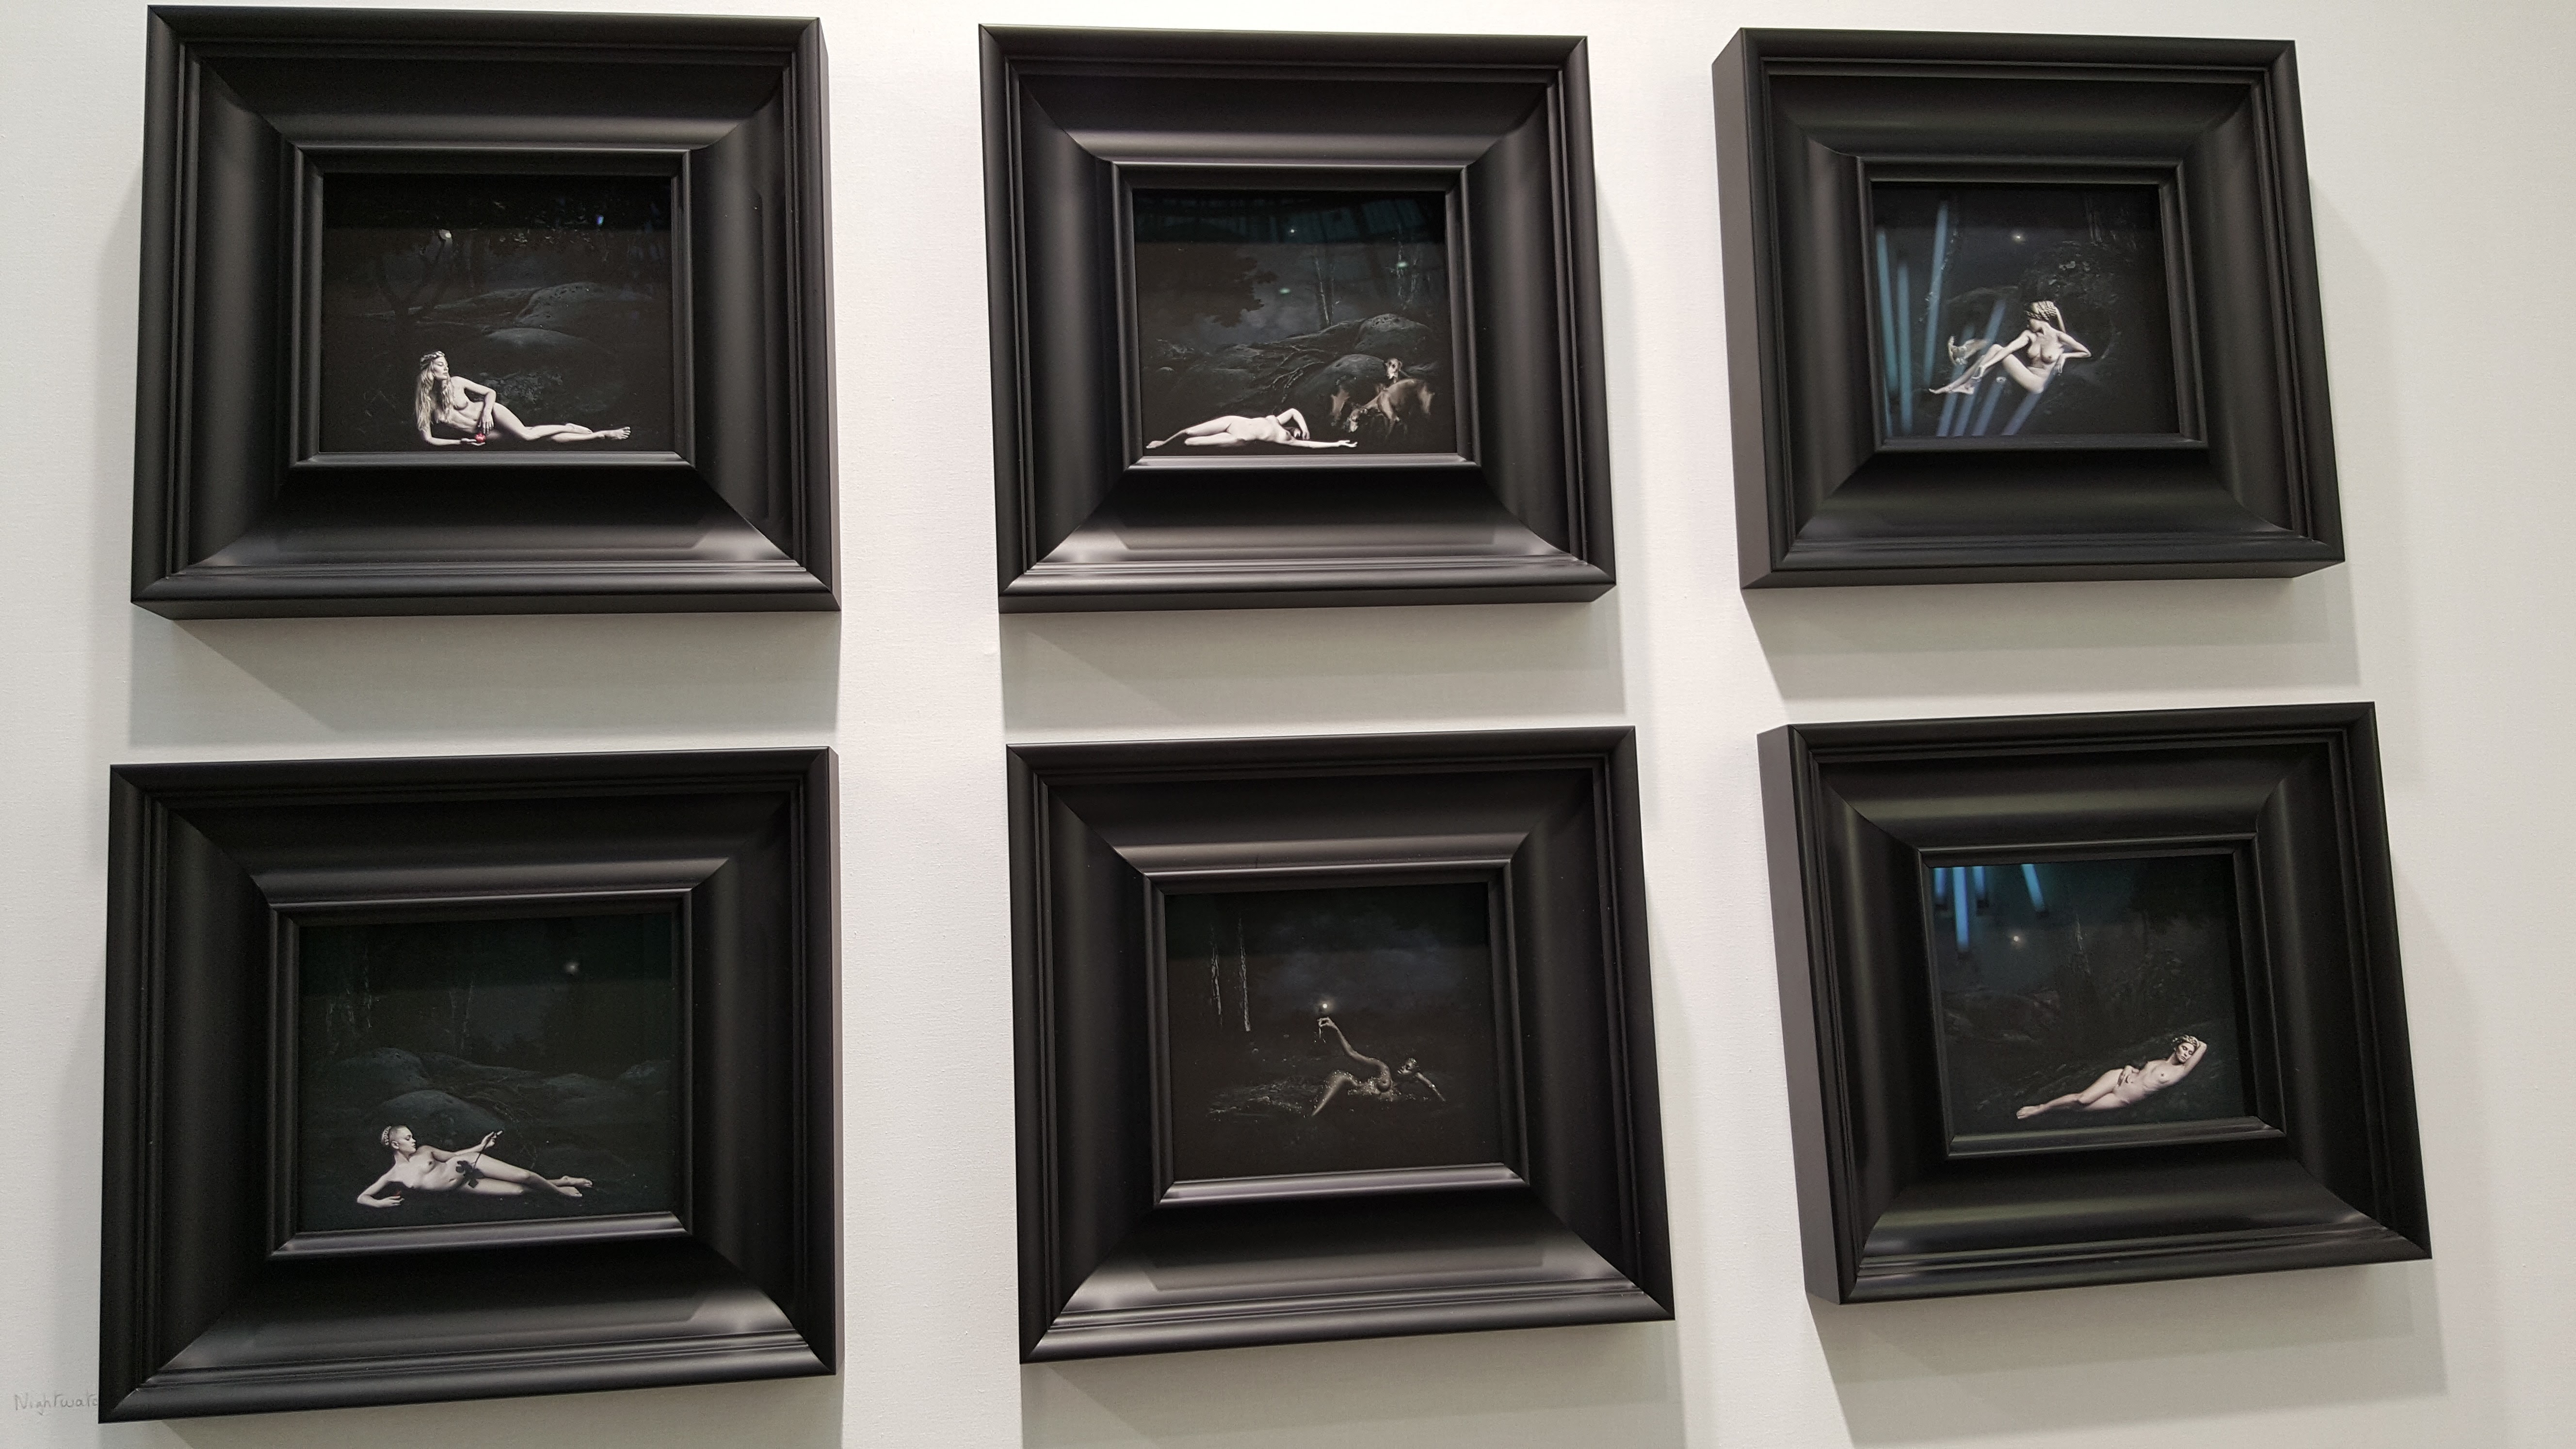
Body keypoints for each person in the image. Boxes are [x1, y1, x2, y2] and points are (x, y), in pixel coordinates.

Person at [412, 351, 631, 447]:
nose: (446, 368)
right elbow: (428, 439)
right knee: (542, 439)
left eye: (446, 364)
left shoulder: (457, 382)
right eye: (441, 365)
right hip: (482, 434)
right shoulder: (426, 403)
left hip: (492, 414)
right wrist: (460, 443)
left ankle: (596, 433)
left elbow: (490, 393)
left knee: (527, 435)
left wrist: (487, 412)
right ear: (429, 370)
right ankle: (583, 433)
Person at [355, 1125, 592, 1208]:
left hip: (465, 1165)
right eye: (408, 1138)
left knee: (523, 1176)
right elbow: (363, 1198)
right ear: (395, 1144)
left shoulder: (425, 1150)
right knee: (518, 1191)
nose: (414, 1140)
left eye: (412, 1136)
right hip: (463, 1186)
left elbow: (454, 1156)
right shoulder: (393, 1174)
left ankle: (561, 1192)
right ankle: (564, 1181)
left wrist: (481, 1147)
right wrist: (379, 1203)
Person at [1930, 300, 2091, 401]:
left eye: (2030, 319)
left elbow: (2086, 352)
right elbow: (2009, 349)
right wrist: (1986, 365)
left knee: (1994, 352)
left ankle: (1965, 385)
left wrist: (2065, 356)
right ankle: (1957, 385)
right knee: (1994, 351)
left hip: (2037, 383)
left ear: (2040, 318)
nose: (2028, 323)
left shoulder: (2060, 338)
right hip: (2024, 374)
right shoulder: (2029, 335)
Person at [2016, 1035, 2207, 1119]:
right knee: (2082, 1099)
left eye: (2190, 1053)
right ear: (2176, 1047)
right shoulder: (2160, 1061)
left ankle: (2048, 1110)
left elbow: (2204, 1046)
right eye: (2184, 1048)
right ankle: (2041, 1108)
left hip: (2122, 1098)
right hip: (2118, 1079)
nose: (2186, 1054)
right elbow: (2142, 1071)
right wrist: (2129, 1068)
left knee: (2080, 1109)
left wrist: (2195, 1042)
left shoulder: (2180, 1071)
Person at [1308, 1015, 1445, 1117]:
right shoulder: (1384, 1069)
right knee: (1339, 1077)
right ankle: (1311, 1116)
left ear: (1413, 1076)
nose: (1402, 1068)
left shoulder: (1401, 1095)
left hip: (1354, 1105)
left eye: (1407, 1069)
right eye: (1404, 1065)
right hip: (1350, 1086)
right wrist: (1336, 1029)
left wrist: (1423, 1080)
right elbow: (1351, 1053)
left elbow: (1433, 1092)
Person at [1146, 407, 1356, 451]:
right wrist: (1305, 427)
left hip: (1240, 437)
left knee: (1189, 442)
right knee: (1189, 431)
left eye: (1301, 436)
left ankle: (1170, 447)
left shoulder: (1286, 438)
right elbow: (1294, 411)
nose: (1301, 435)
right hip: (1234, 421)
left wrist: (1337, 443)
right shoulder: (1277, 421)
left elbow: (1310, 445)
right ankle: (1163, 443)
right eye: (1300, 433)